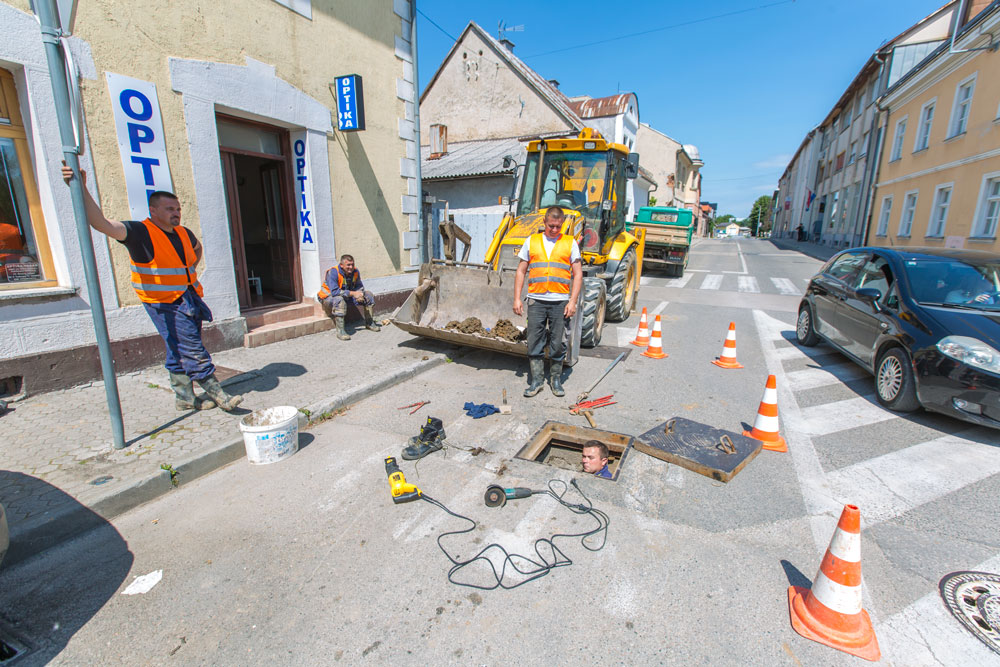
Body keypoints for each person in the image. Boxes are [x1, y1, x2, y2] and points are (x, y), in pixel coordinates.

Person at [61, 164, 242, 412]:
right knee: (190, 347)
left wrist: (190, 269)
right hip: (162, 302)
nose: (176, 213)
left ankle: (185, 398)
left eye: (178, 209)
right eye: (169, 209)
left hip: (188, 297)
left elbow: (197, 248)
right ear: (153, 210)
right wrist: (80, 188)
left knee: (177, 346)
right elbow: (101, 224)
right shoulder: (139, 232)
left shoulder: (183, 233)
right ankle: (219, 395)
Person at [513, 206, 583, 397]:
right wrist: (517, 298)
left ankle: (555, 380)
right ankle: (536, 381)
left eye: (558, 226)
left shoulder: (570, 242)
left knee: (558, 342)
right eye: (551, 226)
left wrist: (573, 301)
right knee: (534, 340)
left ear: (562, 224)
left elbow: (578, 274)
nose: (554, 229)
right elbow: (521, 270)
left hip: (560, 301)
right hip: (536, 300)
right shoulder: (532, 241)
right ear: (544, 222)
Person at [317, 254, 380, 340]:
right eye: (348, 265)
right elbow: (335, 292)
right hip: (328, 298)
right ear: (341, 265)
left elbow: (359, 286)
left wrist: (360, 294)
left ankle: (369, 323)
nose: (351, 267)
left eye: (352, 264)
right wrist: (353, 293)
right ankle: (340, 331)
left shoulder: (355, 271)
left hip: (346, 296)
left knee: (368, 295)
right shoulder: (333, 272)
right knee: (339, 300)